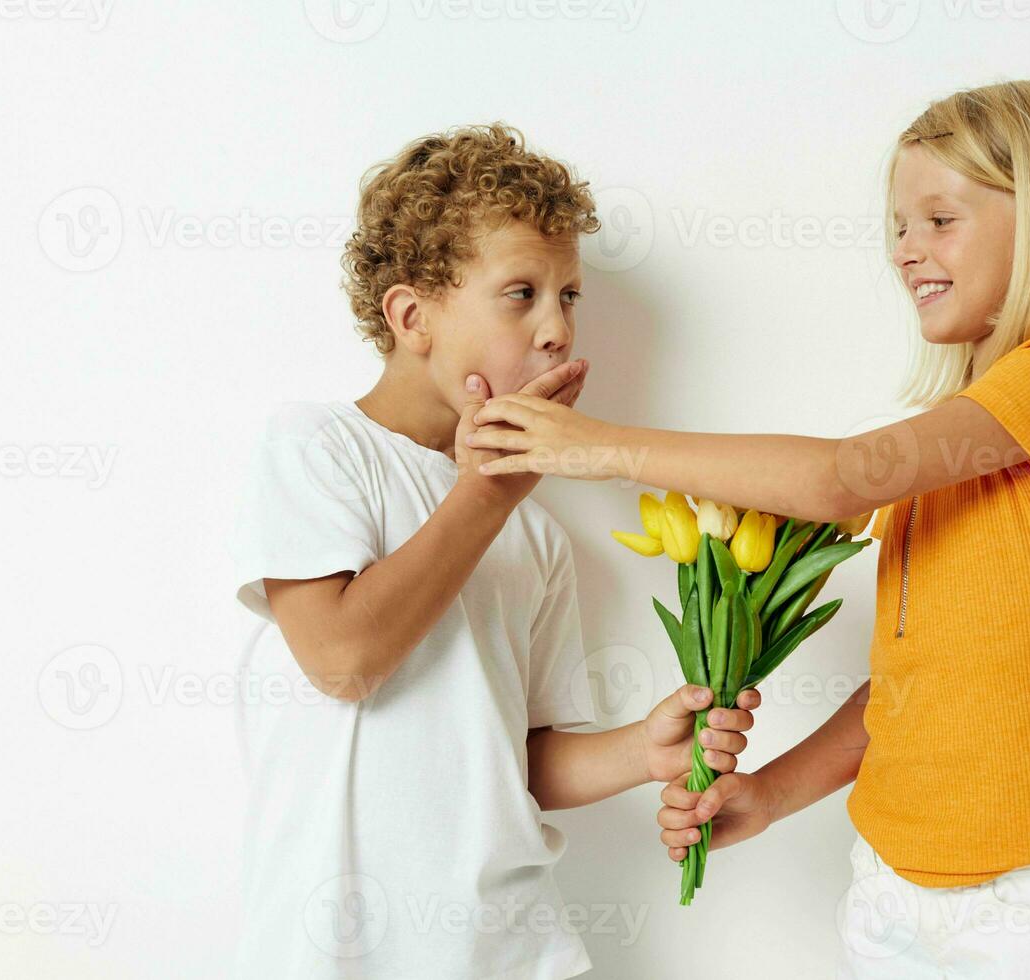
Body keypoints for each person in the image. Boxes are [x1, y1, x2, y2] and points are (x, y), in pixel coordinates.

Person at [465, 81, 1030, 976]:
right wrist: (769, 795)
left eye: (940, 219)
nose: (908, 251)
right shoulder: (965, 435)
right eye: (898, 228)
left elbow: (838, 481)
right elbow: (910, 687)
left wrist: (600, 449)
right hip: (891, 887)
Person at [228, 124, 760, 979]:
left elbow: (521, 756)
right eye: (521, 294)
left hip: (510, 946)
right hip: (341, 948)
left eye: (570, 296)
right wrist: (487, 492)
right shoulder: (319, 446)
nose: (557, 329)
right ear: (412, 317)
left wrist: (640, 751)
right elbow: (342, 659)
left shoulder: (535, 530)